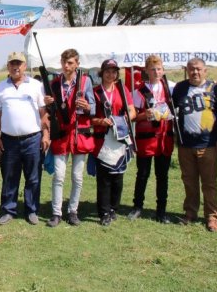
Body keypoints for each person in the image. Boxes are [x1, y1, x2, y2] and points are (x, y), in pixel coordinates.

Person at [0, 52, 50, 226]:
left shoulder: (36, 85)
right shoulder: (1, 87)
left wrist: (46, 134)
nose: (15, 67)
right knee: (10, 176)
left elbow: (43, 113)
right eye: (12, 63)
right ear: (8, 66)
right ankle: (8, 210)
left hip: (33, 139)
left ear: (25, 66)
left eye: (19, 63)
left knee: (33, 177)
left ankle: (31, 210)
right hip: (9, 140)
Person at [172, 57, 217, 232]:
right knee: (189, 181)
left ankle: (212, 217)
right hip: (186, 145)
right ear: (187, 70)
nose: (195, 72)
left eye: (198, 69)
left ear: (205, 70)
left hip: (208, 144)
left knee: (209, 182)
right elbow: (171, 110)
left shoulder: (215, 89)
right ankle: (190, 212)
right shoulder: (180, 88)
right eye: (191, 69)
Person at [45, 49, 95, 227]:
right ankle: (56, 212)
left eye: (71, 63)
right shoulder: (55, 83)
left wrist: (87, 106)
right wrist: (48, 103)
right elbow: (51, 111)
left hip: (79, 134)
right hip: (61, 134)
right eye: (64, 62)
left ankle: (73, 211)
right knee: (59, 175)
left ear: (77, 64)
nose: (67, 66)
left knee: (77, 176)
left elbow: (94, 107)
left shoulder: (85, 81)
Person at [129, 55, 174, 223]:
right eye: (153, 69)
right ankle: (137, 207)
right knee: (143, 174)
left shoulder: (170, 88)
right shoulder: (139, 92)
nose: (156, 72)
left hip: (164, 139)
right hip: (146, 140)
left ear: (163, 70)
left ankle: (161, 211)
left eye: (159, 69)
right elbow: (132, 117)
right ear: (146, 71)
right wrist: (143, 115)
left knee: (162, 176)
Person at [91, 59, 136, 226]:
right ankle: (103, 211)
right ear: (102, 73)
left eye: (114, 71)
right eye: (108, 71)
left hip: (120, 137)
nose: (111, 74)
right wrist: (101, 121)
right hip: (102, 138)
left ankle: (113, 209)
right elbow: (89, 119)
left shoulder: (122, 89)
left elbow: (132, 110)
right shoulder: (95, 92)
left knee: (118, 176)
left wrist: (124, 119)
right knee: (104, 178)